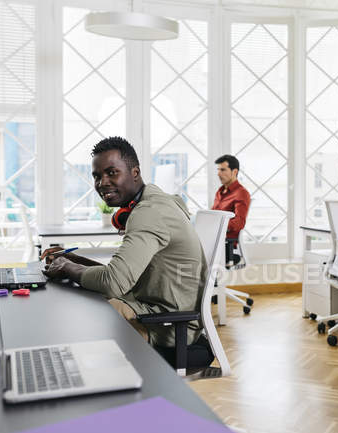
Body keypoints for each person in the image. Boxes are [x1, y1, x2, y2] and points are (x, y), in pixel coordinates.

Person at [42, 136, 210, 363]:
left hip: (167, 326)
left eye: (112, 172)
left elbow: (113, 282)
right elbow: (121, 275)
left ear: (135, 172)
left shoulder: (148, 213)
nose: (102, 183)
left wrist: (68, 267)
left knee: (78, 326)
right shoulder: (157, 200)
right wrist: (73, 261)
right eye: (97, 176)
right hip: (155, 310)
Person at [211, 154, 251, 266]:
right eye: (218, 170)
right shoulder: (220, 192)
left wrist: (218, 224)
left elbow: (239, 223)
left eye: (223, 170)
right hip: (213, 237)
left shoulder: (241, 193)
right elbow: (213, 215)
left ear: (234, 172)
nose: (219, 173)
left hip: (223, 242)